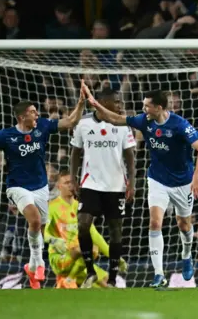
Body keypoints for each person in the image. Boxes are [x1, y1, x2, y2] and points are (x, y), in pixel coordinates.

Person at [0, 81, 89, 289]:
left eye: (37, 112)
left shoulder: (43, 127)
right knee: (35, 220)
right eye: (33, 112)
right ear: (22, 117)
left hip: (40, 187)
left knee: (39, 226)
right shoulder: (6, 135)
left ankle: (32, 265)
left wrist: (81, 102)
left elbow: (71, 121)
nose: (37, 115)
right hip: (17, 186)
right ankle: (38, 262)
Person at [90, 90, 198, 288]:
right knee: (155, 223)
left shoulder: (179, 125)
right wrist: (96, 104)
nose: (144, 109)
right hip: (157, 180)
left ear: (159, 108)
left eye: (147, 105)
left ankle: (186, 255)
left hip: (183, 182)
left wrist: (196, 177)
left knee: (184, 225)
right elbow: (118, 119)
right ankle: (158, 274)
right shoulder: (144, 120)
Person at [70, 88, 136, 288]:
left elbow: (130, 157)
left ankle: (114, 277)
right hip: (90, 184)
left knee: (116, 230)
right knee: (83, 224)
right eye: (116, 101)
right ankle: (90, 272)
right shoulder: (83, 123)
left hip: (116, 185)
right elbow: (75, 152)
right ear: (104, 102)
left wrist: (131, 182)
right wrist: (74, 179)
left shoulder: (124, 125)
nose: (120, 105)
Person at [45, 170, 126, 289]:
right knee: (90, 249)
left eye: (72, 182)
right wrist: (54, 241)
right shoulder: (52, 207)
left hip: (80, 261)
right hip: (60, 257)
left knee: (106, 284)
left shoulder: (80, 206)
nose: (70, 185)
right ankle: (70, 278)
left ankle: (68, 281)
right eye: (66, 183)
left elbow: (95, 235)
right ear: (59, 186)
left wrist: (114, 256)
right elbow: (44, 232)